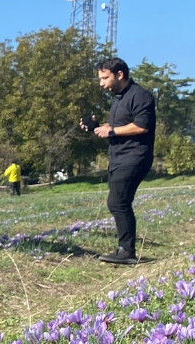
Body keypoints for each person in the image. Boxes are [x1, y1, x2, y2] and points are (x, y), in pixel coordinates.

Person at [84, 57, 156, 265]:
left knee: (117, 202)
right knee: (119, 201)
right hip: (118, 157)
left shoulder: (140, 96)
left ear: (120, 75)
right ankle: (125, 249)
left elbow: (142, 126)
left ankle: (126, 251)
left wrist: (112, 130)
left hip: (135, 157)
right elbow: (119, 126)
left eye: (105, 78)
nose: (101, 83)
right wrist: (97, 127)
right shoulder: (119, 99)